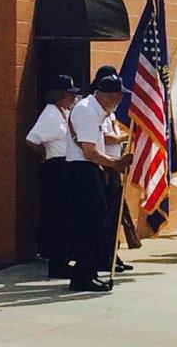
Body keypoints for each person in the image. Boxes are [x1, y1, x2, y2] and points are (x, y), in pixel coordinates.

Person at [66, 74, 133, 292]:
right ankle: (82, 276)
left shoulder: (97, 111)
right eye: (118, 96)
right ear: (110, 96)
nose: (120, 100)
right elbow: (89, 152)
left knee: (97, 224)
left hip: (90, 171)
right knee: (93, 225)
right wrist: (115, 163)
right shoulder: (87, 110)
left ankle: (88, 273)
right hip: (83, 171)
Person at [26, 74, 80, 279]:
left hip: (65, 167)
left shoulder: (63, 112)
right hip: (55, 168)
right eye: (70, 94)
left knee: (66, 217)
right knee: (58, 217)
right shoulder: (50, 114)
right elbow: (31, 140)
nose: (73, 98)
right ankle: (58, 264)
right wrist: (45, 155)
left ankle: (64, 260)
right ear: (62, 95)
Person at [90, 66, 136, 273]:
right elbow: (105, 137)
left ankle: (111, 255)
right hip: (105, 167)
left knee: (115, 214)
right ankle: (103, 256)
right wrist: (128, 137)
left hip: (114, 165)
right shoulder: (93, 109)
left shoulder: (108, 111)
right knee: (106, 216)